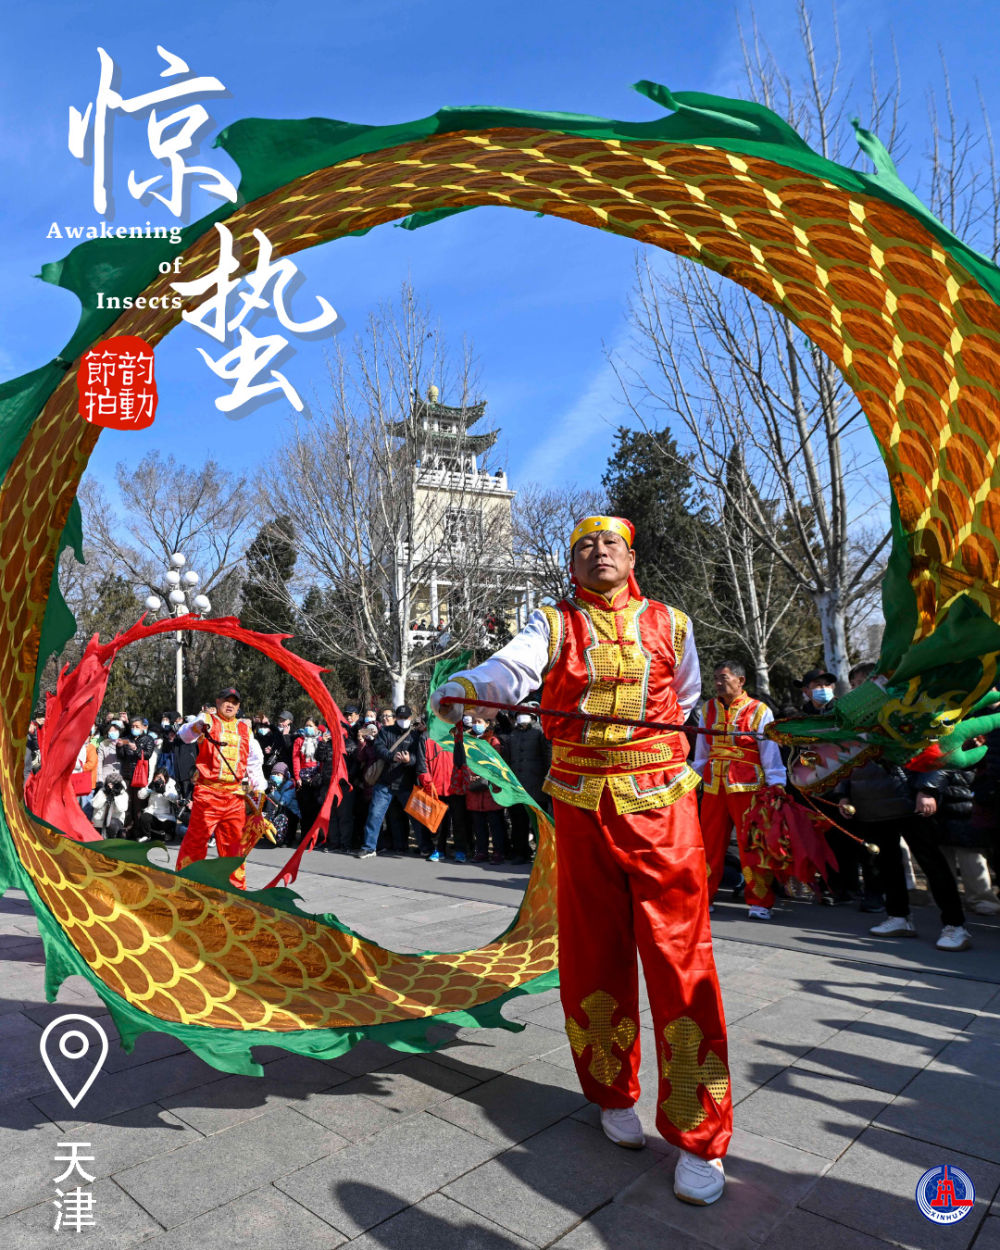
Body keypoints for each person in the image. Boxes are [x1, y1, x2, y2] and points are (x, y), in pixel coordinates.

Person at [432, 515, 731, 1206]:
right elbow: (512, 668)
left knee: (682, 958)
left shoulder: (673, 623)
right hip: (579, 804)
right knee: (593, 952)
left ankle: (700, 1135)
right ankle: (612, 1092)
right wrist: (472, 686)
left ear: (632, 555)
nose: (599, 553)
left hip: (662, 805)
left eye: (611, 543)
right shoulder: (552, 623)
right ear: (572, 563)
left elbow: (685, 699)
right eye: (585, 546)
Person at [692, 661, 786, 919]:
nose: (717, 683)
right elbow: (702, 750)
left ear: (740, 680)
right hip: (713, 787)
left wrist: (777, 783)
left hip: (748, 788)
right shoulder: (708, 708)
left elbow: (769, 751)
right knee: (708, 844)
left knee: (751, 845)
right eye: (715, 678)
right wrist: (694, 778)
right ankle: (705, 898)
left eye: (723, 678)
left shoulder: (759, 710)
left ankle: (759, 902)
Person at [175, 687, 266, 889]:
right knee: (196, 841)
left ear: (238, 706)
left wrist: (259, 788)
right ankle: (187, 885)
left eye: (234, 702)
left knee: (234, 845)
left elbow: (253, 761)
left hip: (235, 796)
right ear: (218, 702)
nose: (230, 705)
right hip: (208, 793)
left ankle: (235, 889)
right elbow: (184, 736)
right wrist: (197, 726)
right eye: (226, 700)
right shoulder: (207, 720)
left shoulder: (245, 729)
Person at [356, 706, 424, 859]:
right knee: (375, 815)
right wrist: (391, 756)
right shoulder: (385, 732)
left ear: (410, 718)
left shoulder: (414, 735)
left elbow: (418, 756)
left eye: (406, 718)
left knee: (416, 817)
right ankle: (369, 847)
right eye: (400, 717)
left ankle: (425, 847)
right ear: (396, 718)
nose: (403, 720)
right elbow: (379, 749)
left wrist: (409, 760)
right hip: (384, 783)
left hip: (406, 784)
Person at [500, 701, 551, 864]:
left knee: (538, 822)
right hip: (517, 786)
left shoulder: (540, 732)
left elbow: (547, 757)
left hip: (537, 785)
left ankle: (542, 853)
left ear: (533, 715)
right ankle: (520, 852)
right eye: (520, 714)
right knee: (518, 821)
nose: (522, 716)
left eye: (525, 713)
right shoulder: (512, 734)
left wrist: (547, 780)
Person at [465, 716, 507, 863]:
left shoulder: (493, 741)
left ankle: (498, 852)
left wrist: (483, 775)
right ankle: (481, 851)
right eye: (474, 722)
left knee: (495, 824)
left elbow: (496, 764)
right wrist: (470, 775)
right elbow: (465, 761)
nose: (476, 724)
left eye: (479, 722)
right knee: (478, 824)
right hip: (474, 789)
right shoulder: (468, 741)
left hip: (491, 789)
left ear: (487, 724)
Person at [136, 768, 180, 842]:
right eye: (157, 777)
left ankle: (165, 835)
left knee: (169, 825)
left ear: (165, 778)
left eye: (160, 778)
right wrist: (149, 789)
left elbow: (175, 798)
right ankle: (147, 835)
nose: (158, 780)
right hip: (152, 813)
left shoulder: (171, 783)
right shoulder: (152, 783)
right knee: (144, 817)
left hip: (166, 815)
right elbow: (140, 796)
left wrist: (164, 792)